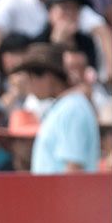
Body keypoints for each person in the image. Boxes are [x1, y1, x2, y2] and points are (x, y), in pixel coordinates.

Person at [20, 44, 100, 173]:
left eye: (31, 77)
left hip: (62, 193)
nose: (29, 85)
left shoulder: (72, 109)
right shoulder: (67, 107)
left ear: (47, 76)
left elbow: (74, 169)